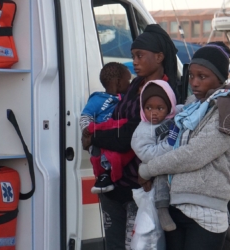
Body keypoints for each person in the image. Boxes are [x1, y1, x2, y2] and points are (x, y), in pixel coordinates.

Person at [138, 41, 230, 250]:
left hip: (205, 214)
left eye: (202, 77)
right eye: (191, 76)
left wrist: (148, 169)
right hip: (177, 207)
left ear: (220, 77)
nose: (194, 83)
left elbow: (194, 154)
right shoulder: (194, 107)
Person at [81, 24, 178, 250]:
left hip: (140, 187)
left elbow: (128, 136)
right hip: (116, 186)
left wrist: (94, 137)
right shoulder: (134, 84)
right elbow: (116, 120)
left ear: (159, 56)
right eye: (133, 55)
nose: (134, 61)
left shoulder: (161, 91)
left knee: (136, 245)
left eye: (140, 56)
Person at [131, 80, 181, 232]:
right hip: (159, 167)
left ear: (169, 107)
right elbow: (147, 154)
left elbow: (189, 108)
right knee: (161, 178)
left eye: (160, 108)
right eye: (148, 108)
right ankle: (162, 210)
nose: (153, 112)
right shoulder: (143, 130)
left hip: (179, 165)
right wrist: (169, 144)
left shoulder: (175, 115)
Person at [80, 62, 134, 193]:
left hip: (115, 137)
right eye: (128, 80)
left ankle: (112, 176)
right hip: (99, 137)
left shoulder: (127, 99)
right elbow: (85, 116)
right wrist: (87, 131)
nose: (130, 83)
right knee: (99, 155)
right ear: (118, 83)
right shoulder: (98, 99)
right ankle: (104, 176)